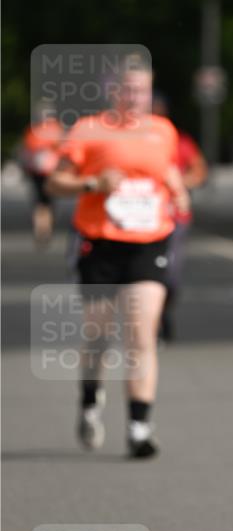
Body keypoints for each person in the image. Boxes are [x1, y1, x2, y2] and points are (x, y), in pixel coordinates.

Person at [46, 60, 189, 458]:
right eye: (127, 89)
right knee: (98, 335)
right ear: (113, 92)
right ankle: (90, 400)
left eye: (141, 90)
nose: (134, 97)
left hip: (150, 242)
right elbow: (55, 182)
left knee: (141, 335)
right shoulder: (88, 129)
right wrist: (93, 182)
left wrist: (179, 193)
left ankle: (139, 428)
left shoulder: (162, 130)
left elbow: (167, 171)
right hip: (100, 244)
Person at [152, 93, 208, 341]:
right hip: (139, 225)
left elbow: (199, 171)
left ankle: (163, 311)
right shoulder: (129, 141)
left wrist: (178, 185)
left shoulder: (179, 140)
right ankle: (150, 322)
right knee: (144, 277)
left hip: (174, 219)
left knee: (171, 277)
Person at [19, 104, 65, 244]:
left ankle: (42, 229)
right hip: (43, 172)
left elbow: (27, 149)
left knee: (42, 202)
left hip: (42, 171)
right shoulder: (51, 129)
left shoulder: (37, 129)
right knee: (45, 202)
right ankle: (44, 229)